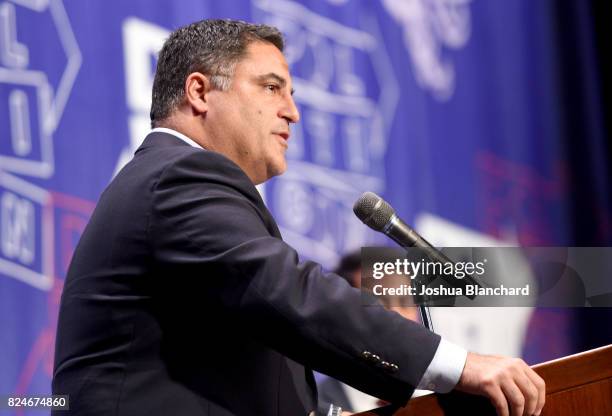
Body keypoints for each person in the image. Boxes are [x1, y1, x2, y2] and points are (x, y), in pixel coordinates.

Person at [52, 19, 545, 416]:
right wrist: (457, 366)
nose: (293, 112)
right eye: (272, 87)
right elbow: (287, 292)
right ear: (200, 92)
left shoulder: (176, 183)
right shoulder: (178, 177)